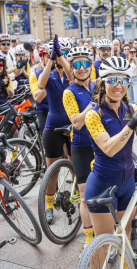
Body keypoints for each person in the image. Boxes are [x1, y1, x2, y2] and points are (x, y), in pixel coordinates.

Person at [84, 57, 137, 269]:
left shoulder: (131, 108)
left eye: (124, 81)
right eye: (113, 80)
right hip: (102, 185)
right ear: (102, 83)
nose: (119, 86)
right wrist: (131, 125)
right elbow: (109, 148)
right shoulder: (93, 115)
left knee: (126, 235)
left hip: (127, 184)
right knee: (102, 243)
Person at [37, 35, 74, 223]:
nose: (62, 57)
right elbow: (40, 85)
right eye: (60, 53)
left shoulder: (74, 72)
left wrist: (63, 58)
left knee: (77, 165)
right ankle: (49, 205)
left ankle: (77, 198)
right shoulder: (47, 73)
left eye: (65, 54)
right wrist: (50, 60)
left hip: (73, 126)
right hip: (52, 126)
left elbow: (72, 78)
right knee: (52, 170)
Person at [62, 46, 95, 248]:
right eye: (77, 65)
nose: (82, 68)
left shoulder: (96, 86)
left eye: (85, 64)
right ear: (72, 69)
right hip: (82, 145)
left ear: (90, 66)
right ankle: (90, 239)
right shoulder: (69, 92)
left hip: (101, 144)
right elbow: (77, 122)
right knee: (85, 197)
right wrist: (94, 105)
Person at [30, 44, 49, 135]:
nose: (52, 60)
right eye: (49, 57)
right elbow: (37, 98)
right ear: (42, 59)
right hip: (44, 110)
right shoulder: (35, 74)